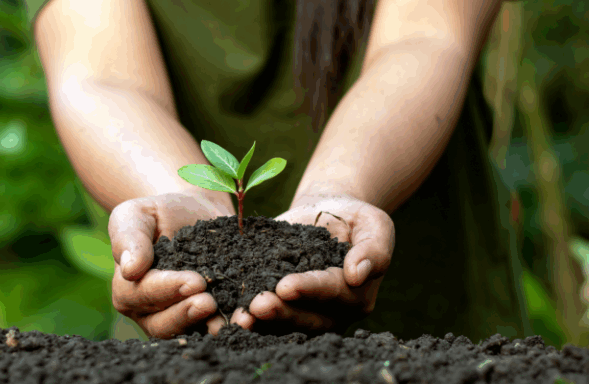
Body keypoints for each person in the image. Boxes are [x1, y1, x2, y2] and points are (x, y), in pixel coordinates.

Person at [32, 0, 530, 342]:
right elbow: (100, 76)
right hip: (193, 335)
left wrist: (338, 190)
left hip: (429, 320)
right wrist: (176, 196)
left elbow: (427, 37)